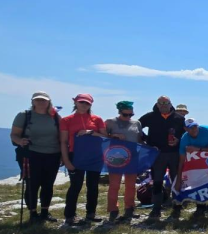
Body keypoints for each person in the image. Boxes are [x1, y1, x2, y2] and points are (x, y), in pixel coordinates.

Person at [11, 91, 62, 224]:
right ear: (32, 101)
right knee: (32, 184)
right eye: (38, 100)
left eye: (43, 100)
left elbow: (62, 137)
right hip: (30, 154)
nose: (41, 102)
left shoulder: (56, 117)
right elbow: (14, 135)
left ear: (48, 102)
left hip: (53, 154)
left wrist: (63, 154)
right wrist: (20, 141)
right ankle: (33, 213)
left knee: (48, 184)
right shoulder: (25, 116)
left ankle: (44, 212)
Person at [60, 93, 108, 225]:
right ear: (75, 102)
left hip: (95, 155)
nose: (84, 105)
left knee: (93, 186)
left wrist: (91, 132)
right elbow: (63, 142)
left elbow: (105, 137)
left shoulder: (97, 119)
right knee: (75, 185)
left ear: (90, 104)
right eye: (81, 102)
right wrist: (66, 161)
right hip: (75, 155)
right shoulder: (66, 120)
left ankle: (91, 213)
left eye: (87, 103)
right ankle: (69, 215)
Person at [140, 96, 186, 219]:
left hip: (174, 153)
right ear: (157, 104)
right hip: (157, 153)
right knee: (157, 181)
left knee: (176, 180)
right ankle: (156, 208)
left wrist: (178, 140)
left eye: (166, 103)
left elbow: (186, 134)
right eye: (161, 103)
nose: (164, 105)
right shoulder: (150, 116)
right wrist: (145, 140)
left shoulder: (179, 118)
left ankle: (177, 206)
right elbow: (136, 127)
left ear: (171, 104)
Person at [104, 101, 144, 222]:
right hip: (115, 156)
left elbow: (139, 139)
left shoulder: (136, 123)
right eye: (125, 115)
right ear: (119, 112)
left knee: (131, 184)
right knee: (114, 184)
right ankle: (113, 210)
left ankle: (129, 208)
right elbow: (103, 137)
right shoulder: (110, 122)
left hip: (132, 156)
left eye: (130, 115)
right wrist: (113, 136)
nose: (128, 117)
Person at [176, 118, 208, 220]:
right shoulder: (185, 139)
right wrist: (179, 179)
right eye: (190, 128)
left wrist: (198, 149)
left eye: (195, 126)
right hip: (197, 162)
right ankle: (200, 207)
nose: (194, 129)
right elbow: (182, 160)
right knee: (198, 182)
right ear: (185, 129)